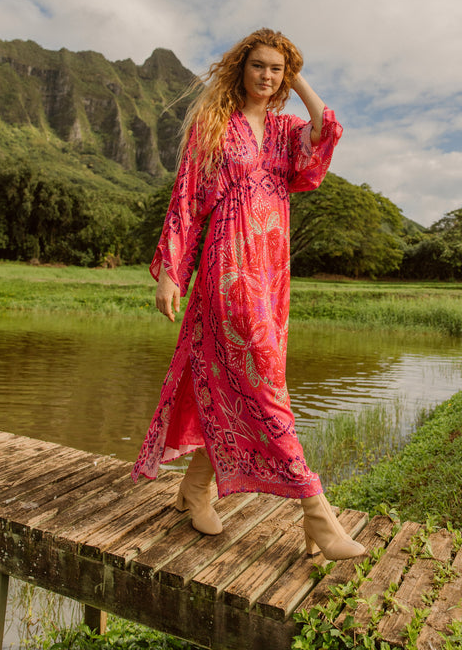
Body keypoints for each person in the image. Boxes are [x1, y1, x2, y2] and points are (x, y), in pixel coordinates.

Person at [131, 28, 365, 561]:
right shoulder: (215, 126)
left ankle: (194, 489)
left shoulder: (285, 131)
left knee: (246, 379)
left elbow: (328, 128)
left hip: (271, 272)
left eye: (276, 69)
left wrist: (297, 73)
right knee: (261, 384)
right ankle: (316, 513)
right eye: (258, 65)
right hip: (226, 267)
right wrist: (171, 270)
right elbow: (187, 199)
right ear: (241, 68)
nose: (266, 75)